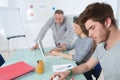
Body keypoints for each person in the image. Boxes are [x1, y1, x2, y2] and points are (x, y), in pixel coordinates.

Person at [50, 2, 120, 80]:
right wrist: (66, 72)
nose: (89, 35)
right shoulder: (102, 45)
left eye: (92, 28)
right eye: (88, 30)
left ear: (107, 22)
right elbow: (87, 65)